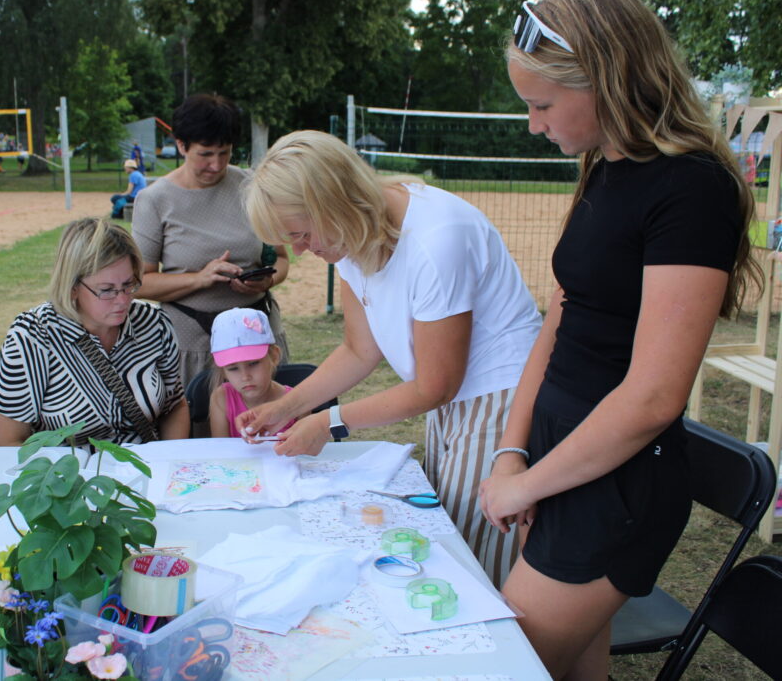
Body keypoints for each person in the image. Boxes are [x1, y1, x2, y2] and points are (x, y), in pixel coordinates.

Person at [475, 0, 761, 677]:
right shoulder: (606, 165)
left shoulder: (692, 189)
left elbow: (654, 395)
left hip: (617, 485)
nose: (532, 123)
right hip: (561, 457)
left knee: (500, 665)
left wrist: (528, 482)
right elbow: (561, 319)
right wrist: (514, 451)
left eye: (542, 104)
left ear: (605, 78)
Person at [240, 129, 542, 586]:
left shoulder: (435, 239)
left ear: (334, 202)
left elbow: (437, 384)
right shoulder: (351, 236)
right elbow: (359, 350)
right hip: (455, 403)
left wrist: (329, 422)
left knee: (473, 560)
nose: (300, 251)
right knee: (451, 535)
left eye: (301, 234)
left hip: (501, 400)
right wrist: (286, 407)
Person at [132, 93, 290, 391]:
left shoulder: (251, 186)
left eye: (225, 153)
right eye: (205, 154)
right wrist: (199, 279)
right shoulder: (154, 200)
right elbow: (139, 283)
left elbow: (280, 259)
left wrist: (265, 282)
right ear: (181, 145)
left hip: (257, 343)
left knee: (270, 429)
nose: (216, 165)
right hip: (192, 347)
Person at [0, 217, 189, 447]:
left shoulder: (153, 323)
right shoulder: (32, 338)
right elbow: (8, 441)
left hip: (146, 470)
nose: (123, 300)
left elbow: (174, 406)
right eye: (107, 290)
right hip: (67, 478)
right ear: (72, 287)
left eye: (129, 285)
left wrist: (169, 458)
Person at [207, 307, 301, 438]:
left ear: (274, 356)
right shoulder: (221, 398)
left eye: (253, 363)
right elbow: (221, 450)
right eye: (233, 368)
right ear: (222, 371)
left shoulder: (298, 401)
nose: (245, 376)